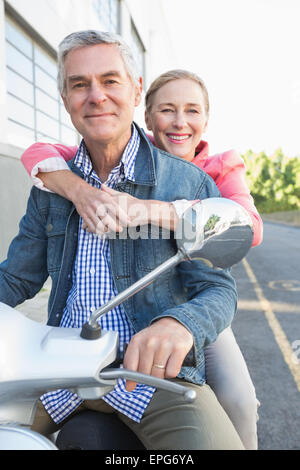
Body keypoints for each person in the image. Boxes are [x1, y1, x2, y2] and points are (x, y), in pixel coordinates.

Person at [0, 29, 244, 450]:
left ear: (135, 92)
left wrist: (179, 323)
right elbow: (16, 279)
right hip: (60, 370)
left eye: (110, 80)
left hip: (150, 377)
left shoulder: (188, 181)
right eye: (79, 84)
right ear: (65, 99)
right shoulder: (54, 188)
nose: (96, 96)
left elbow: (218, 288)